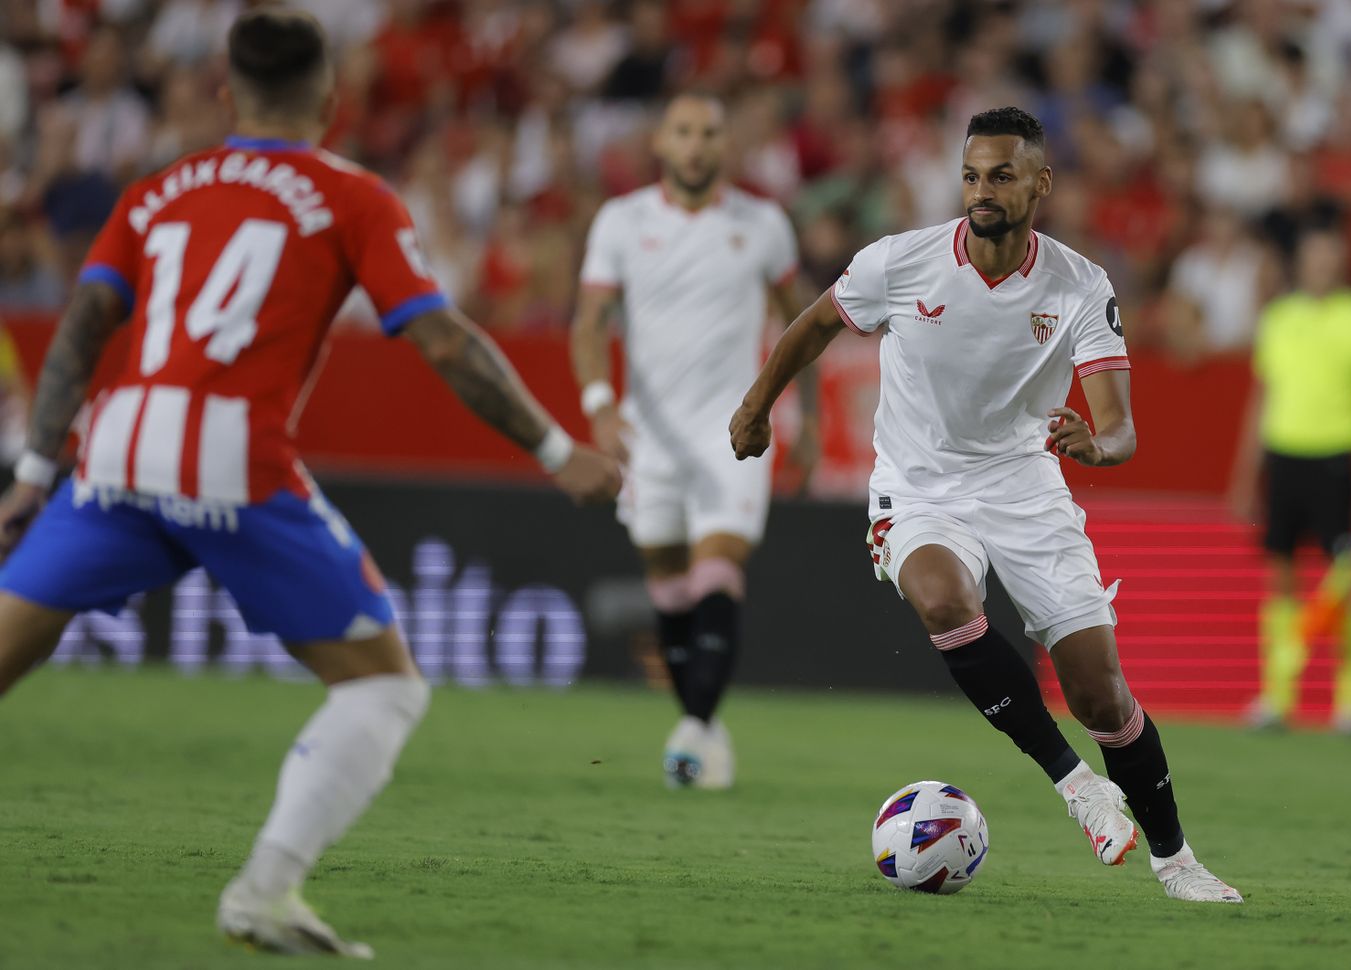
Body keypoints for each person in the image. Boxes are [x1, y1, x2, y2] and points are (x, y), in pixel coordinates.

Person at [0, 8, 620, 957]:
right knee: (384, 690)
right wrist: (552, 448)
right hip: (228, 458)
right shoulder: (350, 194)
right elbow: (441, 337)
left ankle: (268, 895)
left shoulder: (158, 189)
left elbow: (84, 323)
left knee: (10, 648)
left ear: (223, 95)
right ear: (331, 101)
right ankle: (264, 893)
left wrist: (36, 470)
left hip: (116, 449)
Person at [730, 107, 1241, 903]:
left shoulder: (1079, 284)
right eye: (971, 175)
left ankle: (1177, 862)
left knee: (1100, 694)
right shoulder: (901, 261)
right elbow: (816, 324)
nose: (981, 190)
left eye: (1001, 175)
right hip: (920, 483)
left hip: (1024, 485)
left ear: (1041, 183)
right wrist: (759, 404)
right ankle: (1076, 786)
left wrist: (1096, 446)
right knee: (941, 599)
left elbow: (1121, 428)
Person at [571, 92, 818, 790]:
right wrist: (599, 408)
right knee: (671, 591)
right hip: (647, 439)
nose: (696, 144)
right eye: (683, 131)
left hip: (731, 434)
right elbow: (589, 323)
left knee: (716, 574)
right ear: (661, 144)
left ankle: (693, 731)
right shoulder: (622, 222)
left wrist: (808, 423)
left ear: (723, 145)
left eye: (709, 132)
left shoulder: (763, 224)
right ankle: (703, 729)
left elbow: (799, 324)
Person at [1228, 218, 1351, 735]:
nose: (1323, 264)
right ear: (1301, 261)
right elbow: (1262, 398)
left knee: (1343, 579)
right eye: (1315, 255)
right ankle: (1278, 696)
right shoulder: (1279, 317)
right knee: (1280, 574)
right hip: (1284, 460)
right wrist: (1244, 475)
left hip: (1335, 461)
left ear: (1343, 261)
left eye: (1332, 255)